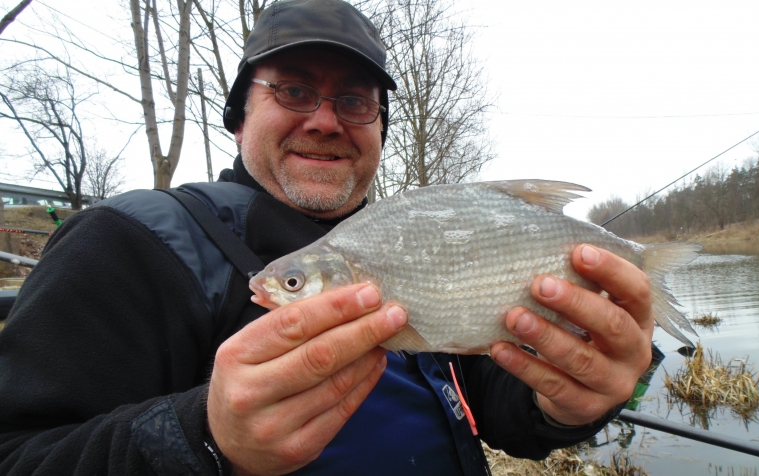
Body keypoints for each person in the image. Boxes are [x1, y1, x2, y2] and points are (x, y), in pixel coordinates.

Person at [0, 0, 653, 474]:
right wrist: (201, 437)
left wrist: (571, 401)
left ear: (377, 127)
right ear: (237, 115)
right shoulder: (124, 242)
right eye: (293, 89)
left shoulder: (417, 240)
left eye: (355, 101)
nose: (324, 120)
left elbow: (505, 412)